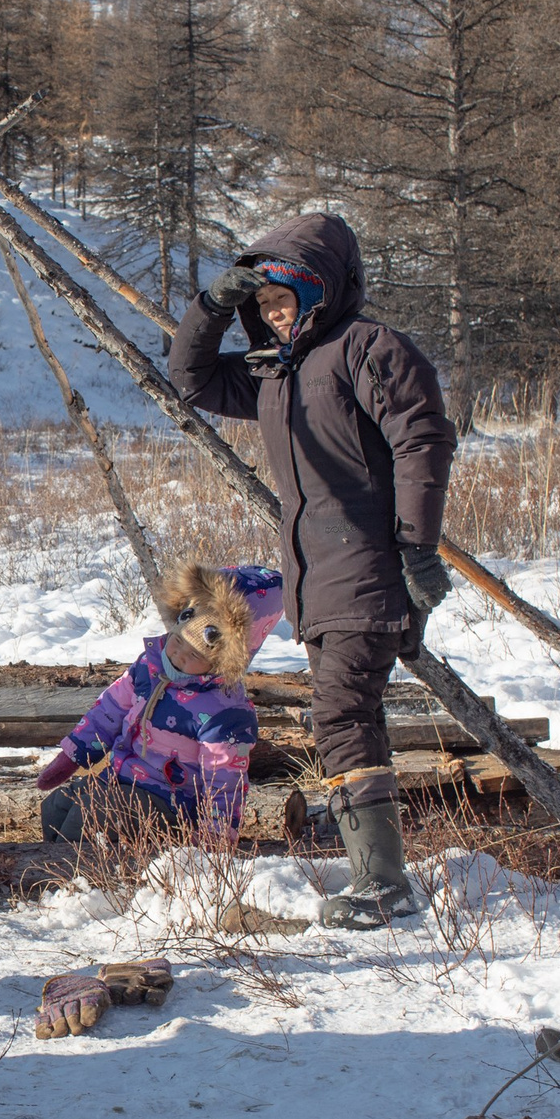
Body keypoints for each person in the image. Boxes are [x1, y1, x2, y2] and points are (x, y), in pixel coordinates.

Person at [166, 214, 458, 928]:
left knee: (342, 713)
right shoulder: (274, 373)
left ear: (322, 293)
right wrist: (208, 309)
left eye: (284, 302)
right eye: (261, 308)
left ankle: (383, 883)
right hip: (318, 577)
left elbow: (422, 441)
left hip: (367, 565)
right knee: (346, 713)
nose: (272, 315)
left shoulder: (369, 350)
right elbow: (190, 379)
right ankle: (377, 873)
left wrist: (417, 548)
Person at [36, 562, 284, 845]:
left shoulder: (223, 710)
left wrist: (215, 832)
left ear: (220, 661)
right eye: (176, 640)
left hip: (170, 801)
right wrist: (73, 755)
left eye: (193, 654)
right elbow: (108, 710)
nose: (177, 654)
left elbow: (225, 778)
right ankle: (50, 864)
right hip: (119, 777)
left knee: (88, 818)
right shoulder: (149, 667)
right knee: (57, 806)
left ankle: (80, 883)